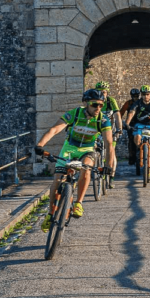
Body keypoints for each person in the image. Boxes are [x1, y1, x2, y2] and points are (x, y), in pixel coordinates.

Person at [36, 89, 114, 233]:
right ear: (86, 103)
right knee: (57, 180)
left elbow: (109, 143)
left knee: (87, 168)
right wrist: (40, 145)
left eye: (101, 105)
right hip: (69, 148)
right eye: (94, 105)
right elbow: (54, 130)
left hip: (88, 149)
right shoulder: (75, 114)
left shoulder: (103, 120)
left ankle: (78, 203)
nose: (98, 108)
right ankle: (51, 213)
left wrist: (109, 166)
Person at [95, 81, 122, 188]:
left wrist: (119, 128)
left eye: (104, 92)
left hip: (111, 130)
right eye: (100, 92)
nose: (102, 94)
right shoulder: (95, 102)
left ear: (107, 93)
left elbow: (117, 115)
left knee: (111, 153)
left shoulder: (111, 101)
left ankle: (111, 177)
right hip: (98, 130)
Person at [120, 88, 141, 166]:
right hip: (131, 123)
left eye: (137, 96)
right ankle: (132, 156)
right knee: (131, 140)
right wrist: (120, 123)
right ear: (131, 96)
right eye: (134, 96)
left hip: (141, 123)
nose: (135, 98)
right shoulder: (128, 103)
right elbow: (121, 112)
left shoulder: (141, 102)